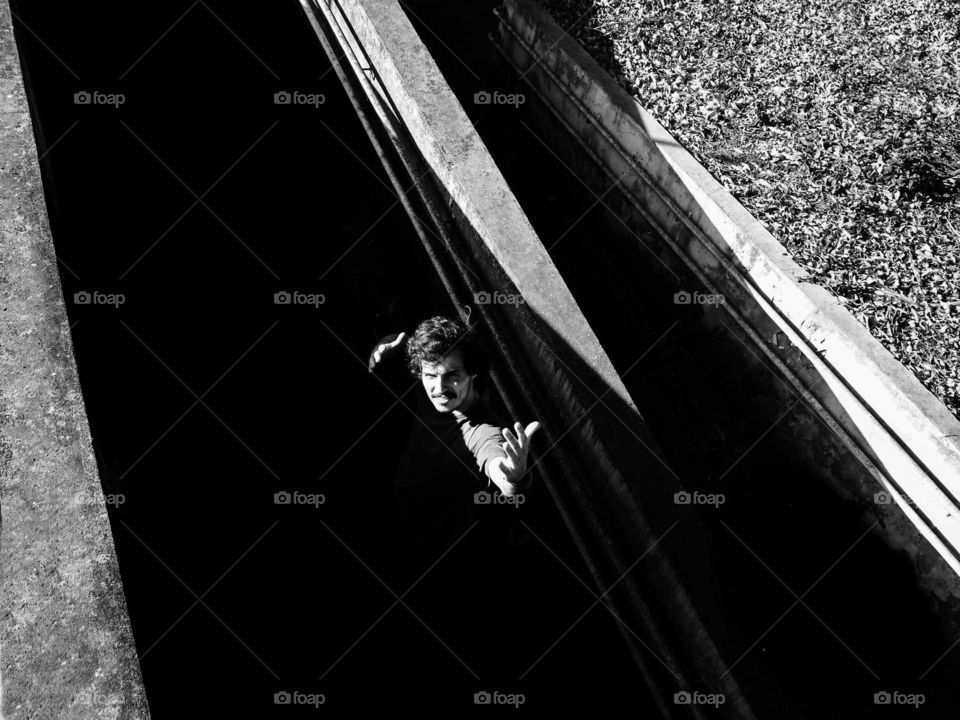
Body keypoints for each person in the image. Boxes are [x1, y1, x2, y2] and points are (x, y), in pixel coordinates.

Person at [368, 316, 540, 575]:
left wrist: (514, 479)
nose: (439, 388)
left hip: (445, 566)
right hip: (395, 534)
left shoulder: (484, 430)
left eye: (452, 376)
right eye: (430, 375)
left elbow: (496, 463)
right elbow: (388, 356)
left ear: (473, 373)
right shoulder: (424, 389)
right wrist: (378, 350)